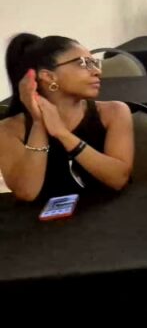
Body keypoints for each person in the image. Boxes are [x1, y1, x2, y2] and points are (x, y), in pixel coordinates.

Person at [0, 33, 133, 202]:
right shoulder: (8, 129)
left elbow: (118, 179)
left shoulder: (114, 112)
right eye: (83, 63)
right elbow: (27, 192)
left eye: (94, 63)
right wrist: (39, 123)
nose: (97, 71)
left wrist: (63, 134)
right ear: (49, 76)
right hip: (43, 218)